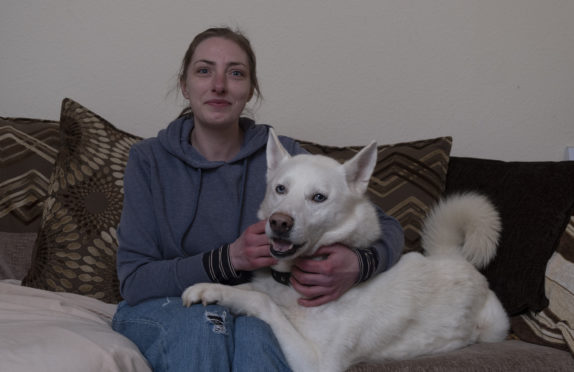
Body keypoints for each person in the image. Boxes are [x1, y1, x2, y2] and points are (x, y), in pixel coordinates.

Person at [112, 27, 404, 371]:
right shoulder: (148, 160)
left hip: (256, 303)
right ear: (184, 85)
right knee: (204, 327)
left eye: (235, 73)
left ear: (250, 89)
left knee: (256, 335)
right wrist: (228, 259)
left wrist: (357, 265)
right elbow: (134, 281)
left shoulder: (286, 159)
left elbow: (387, 228)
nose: (219, 85)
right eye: (204, 70)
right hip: (163, 308)